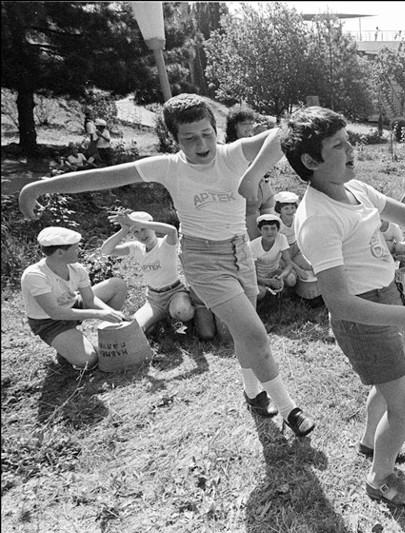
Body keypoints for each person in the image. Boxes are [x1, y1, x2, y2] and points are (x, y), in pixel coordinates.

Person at [19, 93, 313, 433]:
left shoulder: (234, 154)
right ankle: (290, 409)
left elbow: (286, 132)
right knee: (255, 333)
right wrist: (38, 188)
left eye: (206, 133)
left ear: (215, 130)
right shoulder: (168, 167)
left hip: (239, 253)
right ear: (175, 140)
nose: (201, 143)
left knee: (244, 331)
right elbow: (102, 177)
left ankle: (251, 391)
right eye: (189, 138)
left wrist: (253, 175)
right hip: (203, 259)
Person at [280, 106, 405, 506]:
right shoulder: (317, 219)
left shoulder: (355, 189)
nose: (352, 147)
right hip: (364, 316)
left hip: (387, 295)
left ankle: (372, 443)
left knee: (389, 382)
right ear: (310, 161)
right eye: (338, 144)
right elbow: (339, 302)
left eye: (348, 138)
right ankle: (380, 477)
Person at [21, 227, 128, 371]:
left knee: (117, 285)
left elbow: (90, 299)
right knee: (88, 360)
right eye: (75, 248)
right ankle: (65, 343)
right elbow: (55, 313)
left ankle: (109, 333)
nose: (80, 250)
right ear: (59, 252)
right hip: (49, 322)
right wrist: (98, 314)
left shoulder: (77, 268)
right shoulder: (34, 275)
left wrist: (111, 313)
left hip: (72, 304)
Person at [100, 210, 196, 336]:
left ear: (152, 227)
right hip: (154, 299)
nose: (141, 235)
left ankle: (180, 317)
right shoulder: (136, 247)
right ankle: (158, 320)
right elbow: (106, 250)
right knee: (134, 328)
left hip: (175, 292)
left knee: (183, 311)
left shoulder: (166, 243)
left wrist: (134, 222)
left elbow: (172, 230)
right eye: (136, 231)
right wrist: (124, 230)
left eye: (144, 229)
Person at [226, 106, 277, 240]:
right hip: (250, 199)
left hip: (265, 191)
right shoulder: (231, 147)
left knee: (272, 236)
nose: (249, 127)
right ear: (234, 126)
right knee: (256, 240)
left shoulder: (254, 141)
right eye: (244, 124)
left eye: (250, 123)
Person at [249, 213, 297, 300]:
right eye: (265, 229)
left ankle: (282, 292)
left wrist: (281, 277)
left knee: (291, 279)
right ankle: (264, 297)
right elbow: (253, 274)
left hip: (275, 271)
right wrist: (268, 281)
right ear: (260, 230)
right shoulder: (253, 245)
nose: (270, 232)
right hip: (259, 275)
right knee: (260, 292)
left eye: (273, 228)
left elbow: (289, 264)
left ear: (278, 229)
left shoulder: (282, 238)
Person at [273, 191, 313, 275]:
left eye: (292, 207)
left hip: (295, 249)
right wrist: (298, 269)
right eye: (286, 208)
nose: (290, 211)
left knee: (310, 267)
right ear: (279, 209)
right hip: (281, 253)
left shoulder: (296, 219)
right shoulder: (277, 224)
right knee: (293, 274)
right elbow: (279, 249)